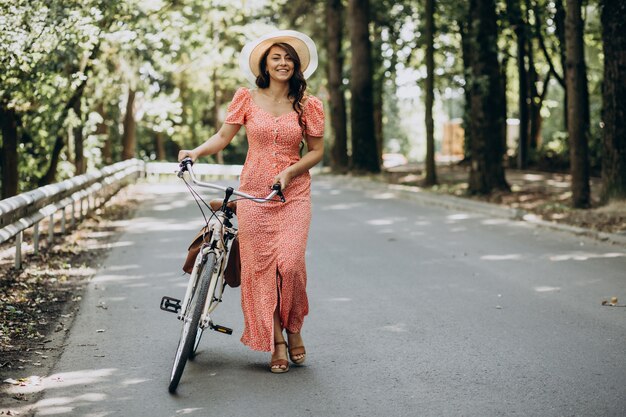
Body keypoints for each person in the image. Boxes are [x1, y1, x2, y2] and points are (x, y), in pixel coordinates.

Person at [177, 30, 324, 374]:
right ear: (264, 64)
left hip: (293, 193)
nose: (283, 63)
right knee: (260, 271)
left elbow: (317, 151)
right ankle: (276, 342)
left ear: (297, 65)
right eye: (276, 57)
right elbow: (223, 137)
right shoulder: (245, 98)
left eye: (288, 58)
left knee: (289, 265)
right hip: (254, 193)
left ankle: (295, 327)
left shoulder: (308, 104)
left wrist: (290, 171)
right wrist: (195, 152)